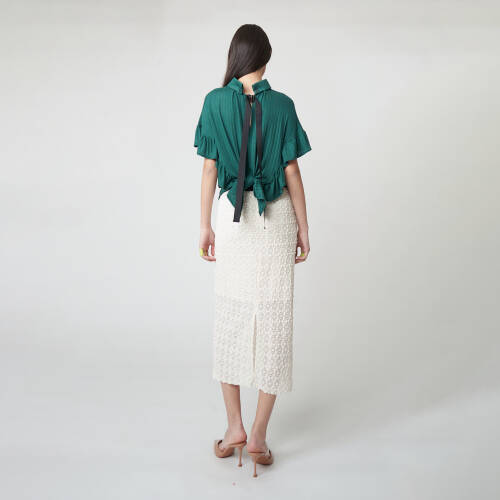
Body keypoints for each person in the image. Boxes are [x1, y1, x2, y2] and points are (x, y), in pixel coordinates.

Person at [194, 24, 311, 478]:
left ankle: (235, 429)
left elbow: (209, 169)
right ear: (265, 58)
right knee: (274, 319)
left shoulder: (213, 102)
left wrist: (205, 225)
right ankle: (259, 436)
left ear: (236, 57)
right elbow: (292, 171)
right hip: (277, 219)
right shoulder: (283, 105)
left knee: (232, 316)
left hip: (232, 217)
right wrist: (304, 228)